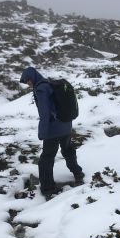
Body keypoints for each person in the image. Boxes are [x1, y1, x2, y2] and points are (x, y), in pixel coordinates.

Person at [19, 66, 84, 198]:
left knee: (46, 159)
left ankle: (48, 188)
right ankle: (78, 173)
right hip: (66, 125)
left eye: (28, 81)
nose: (28, 85)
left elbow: (45, 113)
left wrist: (42, 133)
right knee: (67, 150)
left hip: (53, 129)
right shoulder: (50, 83)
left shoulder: (41, 89)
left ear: (33, 78)